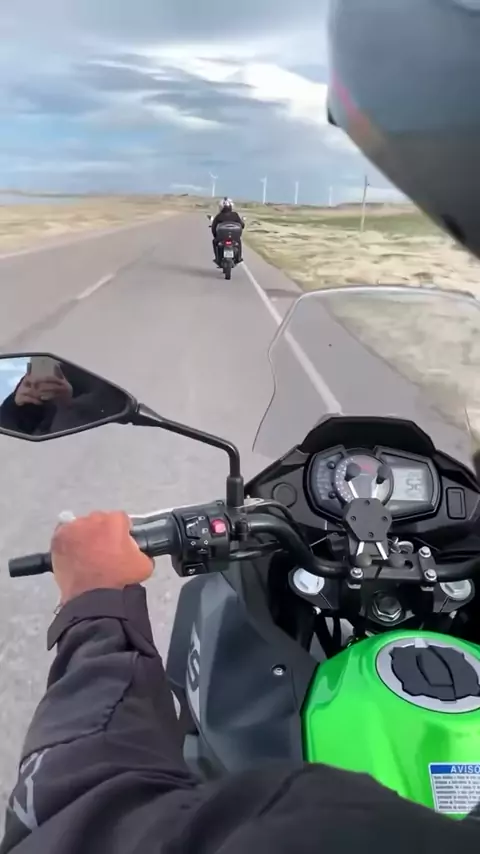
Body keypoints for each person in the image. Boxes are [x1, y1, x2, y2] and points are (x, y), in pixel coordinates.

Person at [3, 0, 480, 848]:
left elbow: (77, 816)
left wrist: (100, 607)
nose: (228, 224)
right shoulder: (227, 218)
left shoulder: (319, 824)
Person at [0, 361, 127, 436]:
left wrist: (67, 404)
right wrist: (16, 406)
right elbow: (10, 430)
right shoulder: (51, 372)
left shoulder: (109, 378)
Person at [210, 198, 244, 265]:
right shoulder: (235, 215)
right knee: (239, 242)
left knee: (214, 242)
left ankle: (217, 258)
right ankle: (239, 258)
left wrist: (215, 236)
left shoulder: (219, 216)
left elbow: (213, 227)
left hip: (221, 238)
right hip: (234, 238)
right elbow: (241, 225)